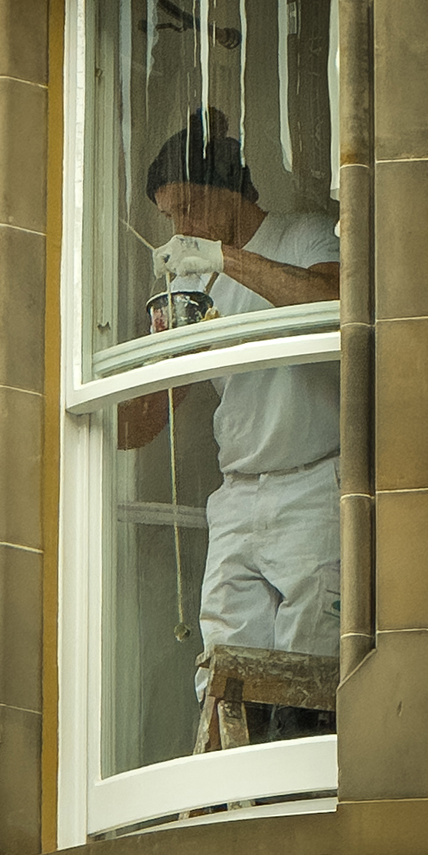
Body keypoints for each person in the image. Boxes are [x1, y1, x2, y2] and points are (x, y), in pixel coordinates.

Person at [118, 112, 341, 733]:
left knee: (311, 663)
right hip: (239, 495)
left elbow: (335, 301)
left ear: (229, 188)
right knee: (224, 668)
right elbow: (135, 430)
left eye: (190, 208)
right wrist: (163, 350)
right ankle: (232, 806)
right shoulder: (197, 285)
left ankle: (300, 799)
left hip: (315, 481)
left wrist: (224, 257)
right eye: (171, 218)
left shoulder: (304, 236)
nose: (182, 228)